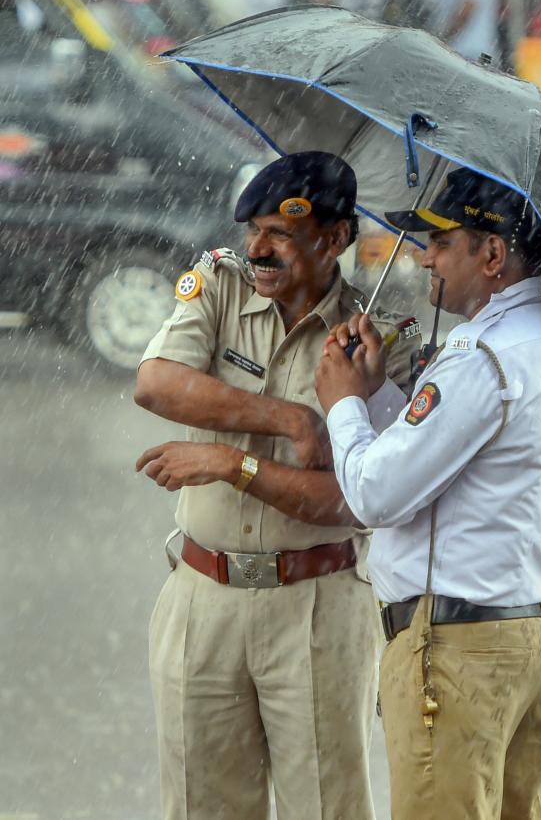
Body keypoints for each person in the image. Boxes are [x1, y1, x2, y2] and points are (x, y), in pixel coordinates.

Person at [133, 151, 420, 820]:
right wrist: (286, 417)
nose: (258, 249)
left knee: (327, 808)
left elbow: (354, 499)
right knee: (202, 807)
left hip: (318, 607)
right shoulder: (220, 286)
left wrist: (235, 465)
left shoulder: (382, 345)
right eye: (252, 231)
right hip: (203, 597)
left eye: (280, 235)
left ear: (335, 239)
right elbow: (155, 382)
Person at [314, 167, 541, 820]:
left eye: (442, 243)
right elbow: (459, 468)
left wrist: (343, 406)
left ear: (493, 255)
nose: (423, 256)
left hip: (459, 653)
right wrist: (382, 391)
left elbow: (378, 494)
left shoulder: (480, 357)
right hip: (530, 637)